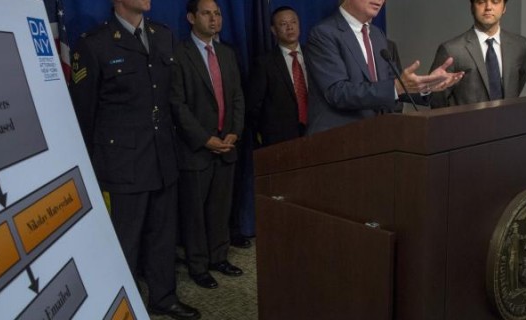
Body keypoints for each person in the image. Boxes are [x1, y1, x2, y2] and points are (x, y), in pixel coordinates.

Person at [68, 0, 200, 319]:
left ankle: (163, 297)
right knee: (124, 242)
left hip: (162, 156)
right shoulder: (94, 44)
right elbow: (84, 115)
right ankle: (123, 305)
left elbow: (167, 96)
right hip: (122, 162)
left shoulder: (162, 35)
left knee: (163, 235)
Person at [170, 0, 245, 290]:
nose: (213, 19)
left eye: (217, 14)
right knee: (194, 213)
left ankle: (219, 257)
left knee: (220, 208)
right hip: (196, 149)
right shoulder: (178, 54)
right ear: (191, 18)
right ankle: (198, 266)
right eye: (206, 13)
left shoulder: (227, 53)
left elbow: (237, 96)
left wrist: (234, 133)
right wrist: (204, 139)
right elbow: (177, 104)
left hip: (227, 145)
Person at [305, 0, 465, 134]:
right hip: (338, 141)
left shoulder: (377, 35)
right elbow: (338, 92)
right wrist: (396, 86)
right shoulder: (323, 34)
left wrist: (426, 85)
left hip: (377, 138)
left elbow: (388, 84)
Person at [429, 0, 526, 108]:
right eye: (481, 2)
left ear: (504, 7)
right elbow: (437, 101)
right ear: (472, 7)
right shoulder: (451, 50)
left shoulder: (520, 45)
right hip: (466, 123)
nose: (488, 7)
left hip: (508, 122)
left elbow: (517, 85)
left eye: (495, 1)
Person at [248, 6, 311, 147]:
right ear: (273, 30)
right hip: (280, 139)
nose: (290, 27)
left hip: (316, 130)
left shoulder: (314, 55)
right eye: (283, 24)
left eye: (293, 22)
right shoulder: (264, 63)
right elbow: (254, 108)